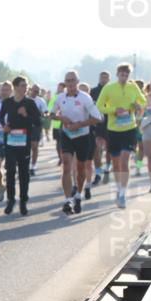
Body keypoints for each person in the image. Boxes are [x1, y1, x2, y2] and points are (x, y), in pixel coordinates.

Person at [51, 71, 102, 215]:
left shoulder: (85, 98)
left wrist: (80, 124)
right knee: (66, 165)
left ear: (77, 81)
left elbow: (98, 118)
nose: (70, 83)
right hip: (66, 135)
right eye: (68, 81)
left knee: (80, 169)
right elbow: (52, 114)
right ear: (65, 83)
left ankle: (78, 194)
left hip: (83, 137)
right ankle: (67, 200)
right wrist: (62, 118)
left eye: (73, 80)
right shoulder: (60, 98)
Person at [96, 63, 146, 208]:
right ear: (117, 74)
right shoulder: (109, 88)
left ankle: (123, 193)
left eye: (126, 75)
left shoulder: (133, 87)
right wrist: (113, 110)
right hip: (113, 130)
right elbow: (99, 106)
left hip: (129, 129)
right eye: (122, 74)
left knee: (124, 161)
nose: (124, 77)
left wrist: (137, 105)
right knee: (116, 164)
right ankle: (119, 188)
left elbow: (142, 101)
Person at [0, 76, 42, 215]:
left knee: (24, 174)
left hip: (24, 143)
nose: (26, 88)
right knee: (10, 171)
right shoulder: (8, 103)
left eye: (26, 85)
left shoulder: (30, 103)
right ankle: (10, 200)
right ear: (16, 87)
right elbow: (0, 116)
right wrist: (4, 126)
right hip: (10, 142)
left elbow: (38, 122)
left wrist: (26, 115)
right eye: (23, 85)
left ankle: (23, 201)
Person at [91, 71, 112, 184]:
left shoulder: (112, 91)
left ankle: (107, 168)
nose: (104, 79)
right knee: (96, 149)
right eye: (102, 77)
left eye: (106, 77)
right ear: (99, 78)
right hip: (97, 123)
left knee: (109, 149)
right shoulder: (93, 91)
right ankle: (98, 172)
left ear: (109, 79)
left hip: (110, 123)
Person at [29, 84, 48, 176]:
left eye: (37, 91)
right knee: (25, 147)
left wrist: (39, 112)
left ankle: (33, 166)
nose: (35, 93)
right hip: (25, 125)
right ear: (30, 90)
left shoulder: (40, 101)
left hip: (36, 126)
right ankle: (25, 165)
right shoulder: (25, 99)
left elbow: (45, 113)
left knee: (34, 146)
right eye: (34, 90)